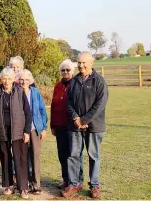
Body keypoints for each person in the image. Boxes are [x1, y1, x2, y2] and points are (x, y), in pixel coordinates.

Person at [62, 52, 109, 199]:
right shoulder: (74, 81)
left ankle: (94, 186)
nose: (81, 65)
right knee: (73, 155)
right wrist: (76, 117)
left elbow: (100, 104)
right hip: (74, 125)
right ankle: (74, 184)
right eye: (79, 63)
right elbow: (68, 101)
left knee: (93, 156)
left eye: (84, 63)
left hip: (94, 126)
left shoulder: (99, 81)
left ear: (91, 63)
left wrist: (85, 120)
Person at [0, 67, 32, 199]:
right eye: (4, 78)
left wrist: (27, 131)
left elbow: (28, 112)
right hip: (2, 131)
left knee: (21, 158)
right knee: (5, 157)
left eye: (9, 78)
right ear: (0, 79)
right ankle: (8, 185)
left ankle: (23, 187)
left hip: (18, 131)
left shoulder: (19, 91)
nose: (6, 81)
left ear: (14, 79)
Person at [51, 59, 84, 191]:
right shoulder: (58, 86)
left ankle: (77, 181)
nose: (65, 72)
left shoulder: (76, 84)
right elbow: (53, 106)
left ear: (73, 71)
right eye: (63, 70)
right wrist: (53, 125)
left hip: (73, 126)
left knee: (75, 154)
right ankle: (66, 179)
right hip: (59, 126)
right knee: (62, 154)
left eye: (68, 70)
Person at [19, 69, 48, 194]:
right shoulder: (16, 92)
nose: (24, 82)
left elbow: (42, 110)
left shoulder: (35, 92)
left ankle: (36, 184)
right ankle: (26, 183)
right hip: (21, 130)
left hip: (35, 128)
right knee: (23, 157)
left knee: (35, 156)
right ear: (18, 81)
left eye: (26, 79)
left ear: (30, 81)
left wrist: (44, 128)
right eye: (21, 79)